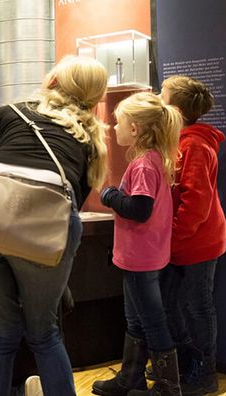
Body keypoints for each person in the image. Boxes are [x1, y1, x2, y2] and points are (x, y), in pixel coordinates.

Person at [0, 55, 110, 396]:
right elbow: (74, 200)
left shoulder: (8, 113)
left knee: (2, 331)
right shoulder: (87, 137)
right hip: (44, 230)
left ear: (52, 81)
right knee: (44, 333)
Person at [92, 92, 183, 396]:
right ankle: (131, 378)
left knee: (152, 321)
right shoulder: (154, 160)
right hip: (146, 255)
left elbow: (139, 209)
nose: (113, 128)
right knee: (137, 319)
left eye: (118, 123)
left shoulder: (144, 164)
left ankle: (168, 387)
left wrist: (109, 196)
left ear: (136, 129)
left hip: (140, 257)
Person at [159, 76, 226, 396]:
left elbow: (195, 203)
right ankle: (187, 364)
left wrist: (173, 238)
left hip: (197, 242)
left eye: (163, 93)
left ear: (175, 107)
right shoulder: (181, 141)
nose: (158, 97)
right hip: (182, 242)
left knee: (197, 307)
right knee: (173, 305)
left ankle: (205, 372)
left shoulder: (195, 145)